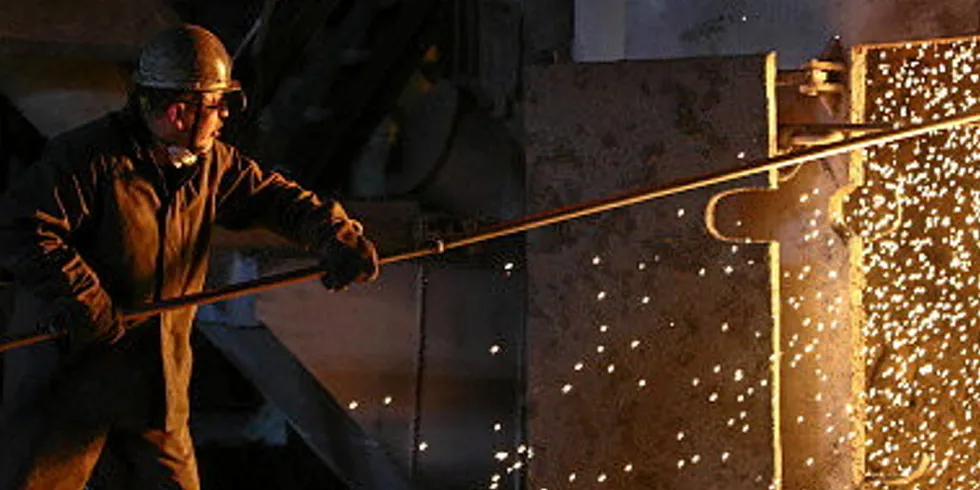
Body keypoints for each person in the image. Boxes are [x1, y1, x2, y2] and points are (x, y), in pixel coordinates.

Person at [0, 24, 379, 489]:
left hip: (153, 390)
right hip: (69, 387)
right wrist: (86, 299)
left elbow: (277, 199)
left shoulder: (211, 164)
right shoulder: (87, 161)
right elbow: (24, 228)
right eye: (216, 105)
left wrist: (333, 235)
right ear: (180, 111)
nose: (223, 118)